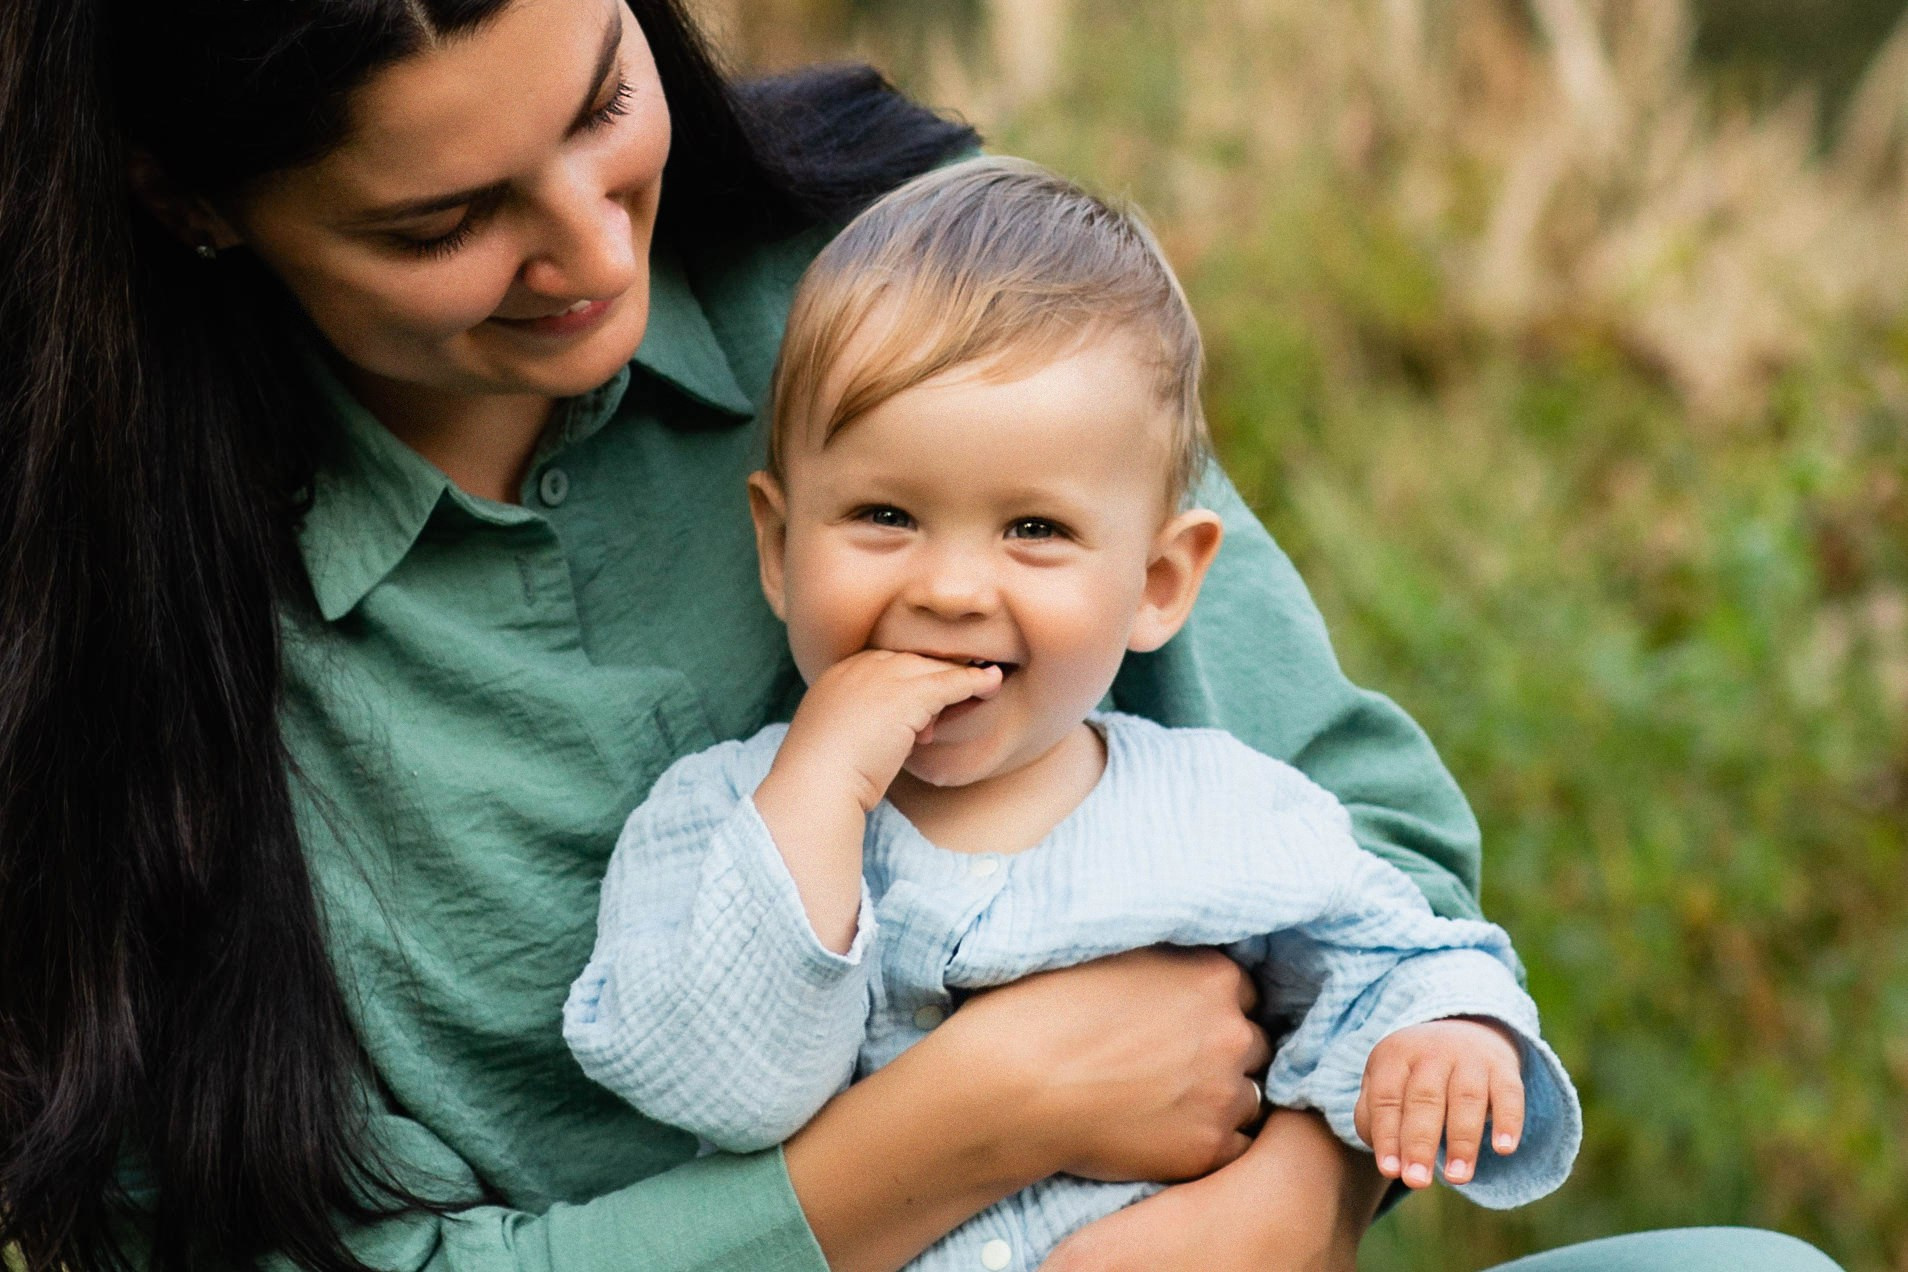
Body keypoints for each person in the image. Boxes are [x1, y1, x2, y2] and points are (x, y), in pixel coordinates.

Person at [0, 0, 1843, 1269]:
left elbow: (1356, 843)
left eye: (598, 106)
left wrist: (1296, 1190)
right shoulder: (113, 631)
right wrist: (952, 1130)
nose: (588, 248)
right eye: (444, 221)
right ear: (189, 203)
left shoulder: (884, 277)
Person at [562, 157, 1585, 1272]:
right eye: (886, 514)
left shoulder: (1220, 809)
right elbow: (726, 1087)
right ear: (778, 545)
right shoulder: (712, 822)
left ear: (1158, 584)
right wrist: (818, 789)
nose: (951, 589)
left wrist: (1447, 1034)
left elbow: (1388, 959)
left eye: (1034, 530)